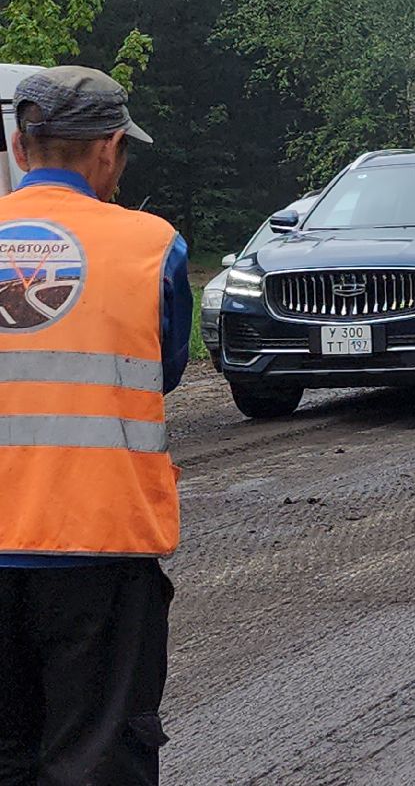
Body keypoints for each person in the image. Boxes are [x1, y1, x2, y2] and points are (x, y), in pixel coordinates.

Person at [0, 66, 190, 786]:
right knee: (97, 763)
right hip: (97, 550)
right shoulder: (151, 247)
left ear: (21, 147)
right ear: (109, 149)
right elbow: (161, 372)